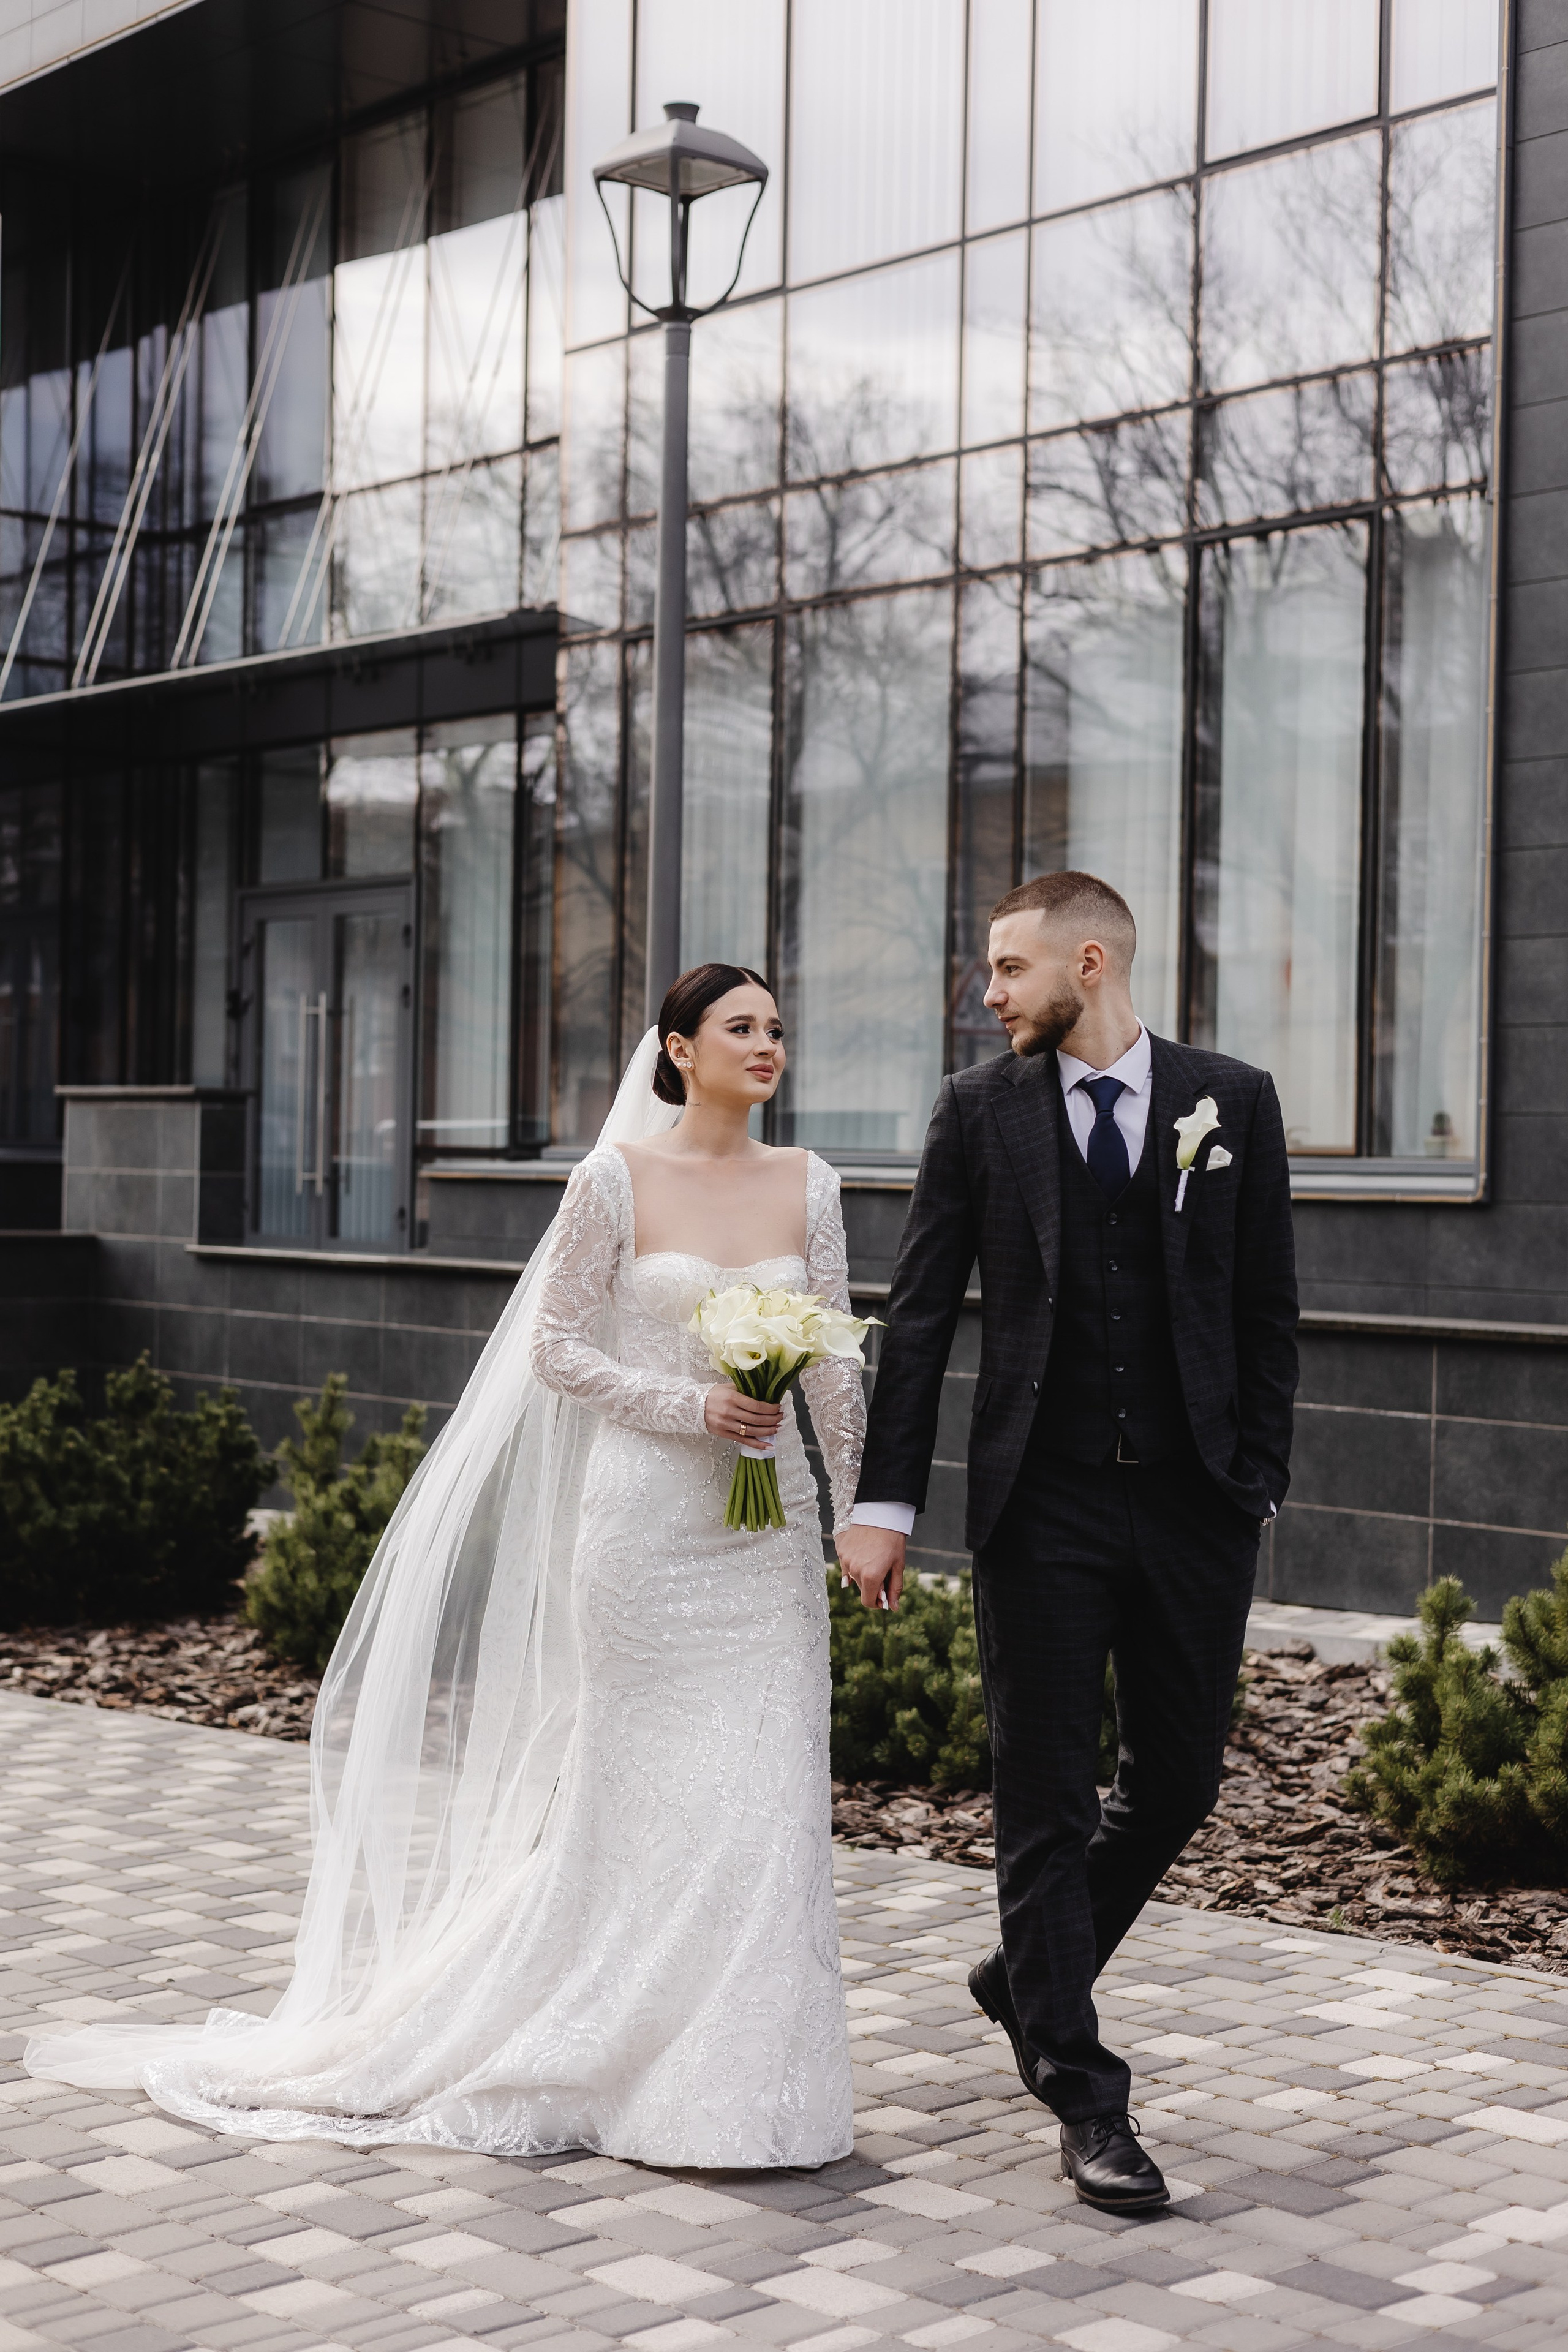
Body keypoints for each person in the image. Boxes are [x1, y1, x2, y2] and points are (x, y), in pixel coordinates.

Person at [26, 964, 864, 2171]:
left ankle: (740, 2091)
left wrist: (854, 1505)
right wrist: (690, 1404)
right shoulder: (612, 1180)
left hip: (766, 1532)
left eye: (779, 1028)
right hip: (642, 1531)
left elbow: (830, 1361)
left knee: (768, 1796)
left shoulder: (811, 1184)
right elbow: (559, 1350)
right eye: (742, 1027)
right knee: (646, 1804)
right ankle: (606, 2049)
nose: (768, 1044)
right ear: (677, 1049)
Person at [836, 872, 1298, 2214]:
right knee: (1038, 1798)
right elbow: (919, 1317)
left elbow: (1268, 1306)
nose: (987, 994)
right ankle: (1083, 2094)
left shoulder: (1234, 1100)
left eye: (1004, 969)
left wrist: (1254, 1476)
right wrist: (884, 1505)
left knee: (1178, 1786)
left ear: (1085, 963)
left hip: (1195, 1500)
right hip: (1039, 1508)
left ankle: (1021, 1976)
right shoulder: (979, 1111)